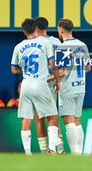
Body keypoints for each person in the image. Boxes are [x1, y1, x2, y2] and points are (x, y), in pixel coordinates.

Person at [11, 18, 61, 154]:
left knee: (27, 118)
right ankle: (51, 149)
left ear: (24, 31)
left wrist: (26, 69)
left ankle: (27, 153)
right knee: (52, 117)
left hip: (26, 83)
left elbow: (14, 70)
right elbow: (53, 64)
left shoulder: (19, 46)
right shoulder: (45, 43)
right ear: (36, 28)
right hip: (41, 82)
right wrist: (58, 80)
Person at [57, 18, 91, 154]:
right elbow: (88, 67)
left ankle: (75, 156)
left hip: (67, 88)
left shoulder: (62, 47)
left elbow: (62, 71)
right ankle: (79, 153)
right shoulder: (82, 45)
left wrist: (52, 77)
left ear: (61, 29)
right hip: (80, 87)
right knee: (77, 121)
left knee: (69, 121)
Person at [34, 17, 65, 154]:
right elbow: (61, 66)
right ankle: (59, 149)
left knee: (40, 117)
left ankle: (46, 150)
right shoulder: (56, 41)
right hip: (52, 83)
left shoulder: (33, 43)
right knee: (52, 116)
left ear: (36, 28)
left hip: (39, 83)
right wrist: (56, 78)